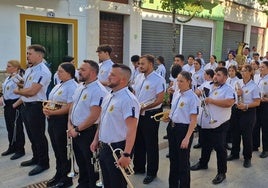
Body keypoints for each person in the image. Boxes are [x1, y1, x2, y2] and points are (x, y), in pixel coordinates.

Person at [90, 63, 140, 188]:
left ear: (123, 79)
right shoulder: (109, 95)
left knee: (117, 183)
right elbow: (102, 120)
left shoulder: (129, 100)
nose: (108, 76)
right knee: (107, 182)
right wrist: (96, 139)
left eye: (112, 75)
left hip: (118, 148)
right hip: (105, 145)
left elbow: (132, 129)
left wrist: (127, 154)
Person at [190, 67, 235, 185]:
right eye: (215, 74)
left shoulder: (228, 89)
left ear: (225, 78)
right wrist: (198, 93)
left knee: (220, 148)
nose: (215, 76)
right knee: (205, 145)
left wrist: (212, 101)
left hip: (219, 124)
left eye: (219, 75)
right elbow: (197, 92)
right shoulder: (207, 84)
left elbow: (229, 103)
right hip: (204, 122)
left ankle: (221, 173)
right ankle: (203, 163)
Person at [67, 60, 108, 187]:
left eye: (83, 69)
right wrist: (70, 125)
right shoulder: (81, 86)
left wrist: (77, 129)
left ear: (93, 72)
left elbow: (94, 115)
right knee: (81, 162)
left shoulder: (98, 90)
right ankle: (83, 183)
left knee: (91, 165)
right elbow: (73, 106)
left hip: (88, 132)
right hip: (75, 130)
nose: (79, 71)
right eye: (79, 69)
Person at [13, 44, 51, 176]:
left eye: (30, 53)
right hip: (26, 105)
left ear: (39, 55)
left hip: (36, 106)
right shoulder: (30, 69)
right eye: (27, 53)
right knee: (31, 134)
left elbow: (33, 91)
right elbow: (27, 85)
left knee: (38, 136)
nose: (27, 56)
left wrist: (18, 91)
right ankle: (36, 157)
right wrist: (20, 84)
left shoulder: (42, 71)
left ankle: (43, 162)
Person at [43, 62, 78, 187]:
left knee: (64, 150)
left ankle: (66, 178)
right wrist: (46, 109)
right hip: (53, 119)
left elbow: (69, 107)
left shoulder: (72, 86)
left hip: (62, 120)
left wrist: (53, 113)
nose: (58, 73)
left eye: (61, 71)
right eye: (58, 71)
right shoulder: (59, 84)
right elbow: (52, 101)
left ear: (69, 73)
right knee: (57, 150)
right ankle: (59, 174)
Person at [133, 54, 166, 184]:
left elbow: (160, 99)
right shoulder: (138, 77)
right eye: (139, 64)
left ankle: (152, 172)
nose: (140, 66)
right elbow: (135, 94)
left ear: (151, 64)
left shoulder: (158, 79)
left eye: (142, 64)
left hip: (151, 114)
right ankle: (139, 167)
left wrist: (144, 107)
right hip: (138, 113)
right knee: (138, 141)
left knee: (151, 144)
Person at [165, 71, 199, 188]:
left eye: (181, 81)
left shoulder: (192, 98)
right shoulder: (177, 94)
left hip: (183, 130)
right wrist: (169, 117)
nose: (178, 84)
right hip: (172, 127)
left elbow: (193, 120)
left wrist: (187, 138)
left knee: (183, 162)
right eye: (177, 81)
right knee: (173, 160)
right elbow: (175, 110)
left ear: (189, 82)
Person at [227, 64, 260, 168]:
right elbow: (232, 95)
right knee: (235, 133)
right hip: (236, 110)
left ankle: (247, 158)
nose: (243, 72)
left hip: (248, 112)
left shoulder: (254, 86)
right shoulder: (238, 82)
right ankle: (234, 153)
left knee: (247, 136)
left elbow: (257, 102)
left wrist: (245, 105)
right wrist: (236, 93)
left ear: (250, 72)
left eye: (245, 71)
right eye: (242, 71)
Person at [0, 60, 25, 160]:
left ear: (16, 68)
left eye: (9, 66)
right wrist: (2, 96)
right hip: (7, 104)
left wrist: (15, 105)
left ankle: (20, 149)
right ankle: (12, 146)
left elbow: (23, 91)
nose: (6, 68)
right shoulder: (8, 77)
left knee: (17, 127)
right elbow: (4, 90)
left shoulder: (18, 78)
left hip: (15, 104)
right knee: (10, 127)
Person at [193, 69, 215, 149]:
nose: (203, 75)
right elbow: (197, 90)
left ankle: (209, 145)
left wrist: (200, 92)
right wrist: (198, 92)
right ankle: (201, 142)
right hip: (202, 107)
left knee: (207, 129)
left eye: (205, 74)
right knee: (200, 126)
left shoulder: (211, 84)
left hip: (208, 108)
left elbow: (206, 94)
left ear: (209, 75)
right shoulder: (205, 83)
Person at [253, 61, 268, 157]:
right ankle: (255, 145)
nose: (261, 68)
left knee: (265, 127)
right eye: (260, 67)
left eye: (263, 67)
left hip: (265, 105)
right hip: (256, 104)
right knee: (255, 125)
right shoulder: (256, 77)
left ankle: (266, 149)